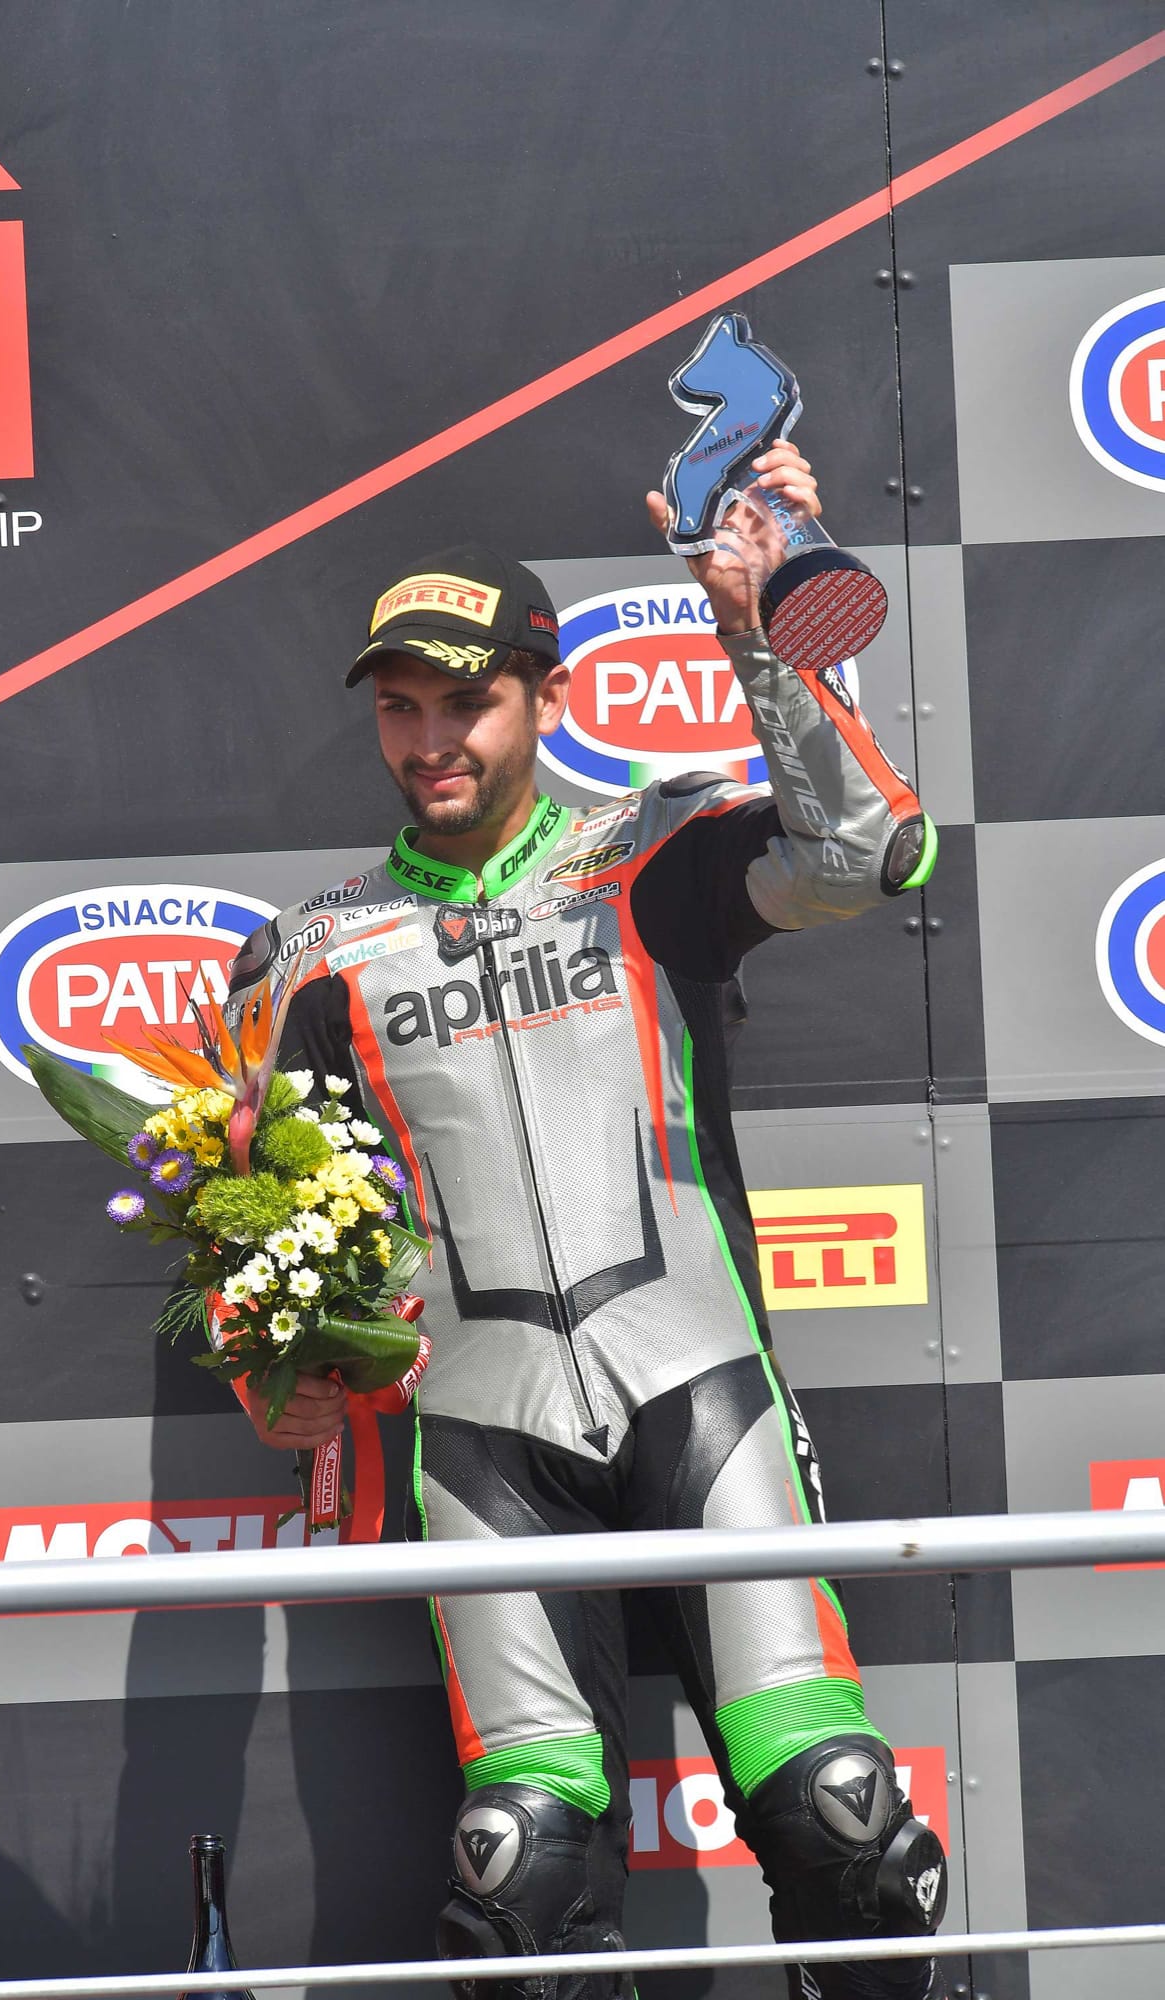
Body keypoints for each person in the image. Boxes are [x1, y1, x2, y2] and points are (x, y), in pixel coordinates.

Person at [225, 445, 945, 2000]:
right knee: (521, 1862)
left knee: (840, 1816)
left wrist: (757, 635)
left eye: (465, 702)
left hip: (703, 1395)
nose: (431, 740)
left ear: (546, 697)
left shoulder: (648, 857)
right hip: (478, 1439)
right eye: (400, 708)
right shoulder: (308, 954)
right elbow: (262, 1221)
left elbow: (865, 855)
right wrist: (272, 1375)